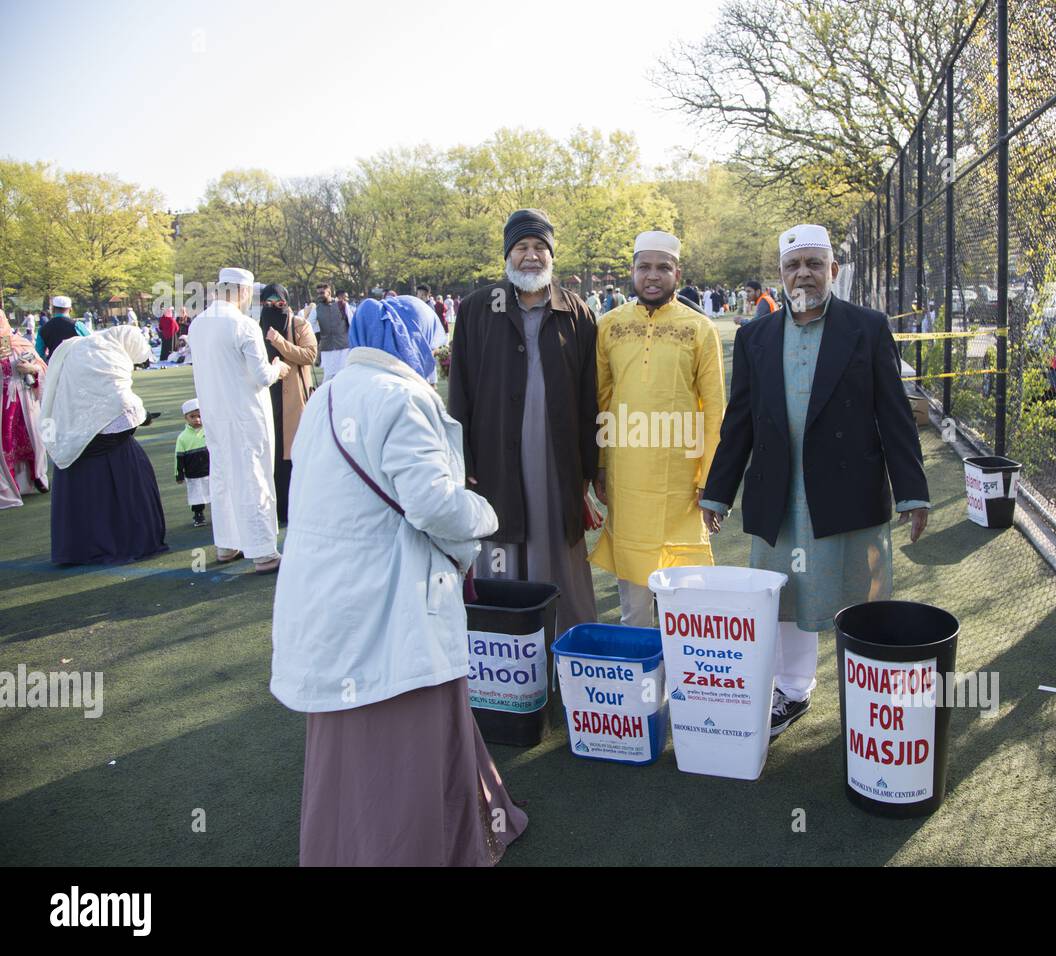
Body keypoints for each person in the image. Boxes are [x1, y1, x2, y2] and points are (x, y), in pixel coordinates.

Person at [271, 294, 527, 867]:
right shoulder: (404, 397)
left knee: (351, 737)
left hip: (328, 593)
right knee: (406, 730)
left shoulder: (328, 393)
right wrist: (485, 516)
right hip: (391, 593)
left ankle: (350, 847)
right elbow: (433, 504)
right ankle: (420, 847)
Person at [701, 224, 931, 737]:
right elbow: (739, 421)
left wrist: (913, 492)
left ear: (833, 270)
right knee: (785, 599)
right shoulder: (755, 335)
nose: (801, 272)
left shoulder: (866, 327)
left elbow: (894, 414)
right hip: (780, 493)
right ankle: (794, 691)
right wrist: (717, 492)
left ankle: (870, 697)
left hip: (849, 490)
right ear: (780, 275)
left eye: (812, 263)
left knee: (861, 597)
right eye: (792, 265)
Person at [449, 209, 599, 635]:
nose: (531, 256)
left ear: (551, 255)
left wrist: (591, 468)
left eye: (539, 247)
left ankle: (568, 646)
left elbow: (591, 396)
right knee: (500, 548)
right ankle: (506, 648)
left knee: (558, 550)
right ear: (507, 255)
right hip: (496, 455)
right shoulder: (478, 309)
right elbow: (459, 390)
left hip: (558, 460)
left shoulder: (577, 313)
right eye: (521, 248)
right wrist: (463, 458)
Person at [589, 230, 726, 626]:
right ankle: (643, 682)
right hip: (626, 477)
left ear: (676, 273)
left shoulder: (700, 329)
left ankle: (681, 679)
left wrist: (710, 481)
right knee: (634, 604)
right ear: (631, 271)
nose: (653, 275)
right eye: (644, 267)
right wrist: (599, 465)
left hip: (682, 482)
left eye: (662, 267)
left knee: (683, 597)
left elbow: (715, 409)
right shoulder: (609, 326)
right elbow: (601, 400)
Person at [188, 267, 292, 573]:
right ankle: (263, 552)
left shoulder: (198, 324)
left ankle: (227, 543)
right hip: (245, 414)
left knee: (222, 476)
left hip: (214, 414)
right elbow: (261, 376)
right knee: (253, 476)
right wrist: (279, 369)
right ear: (243, 292)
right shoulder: (244, 325)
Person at [40, 327, 167, 564]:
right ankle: (124, 540)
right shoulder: (107, 352)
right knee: (133, 476)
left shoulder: (79, 346)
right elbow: (120, 401)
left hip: (72, 433)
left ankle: (79, 547)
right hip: (107, 440)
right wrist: (143, 415)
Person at [260, 283, 318, 526]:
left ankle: (302, 507)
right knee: (271, 453)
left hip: (293, 397)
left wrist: (279, 341)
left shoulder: (299, 324)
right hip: (265, 395)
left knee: (295, 453)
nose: (274, 307)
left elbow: (309, 355)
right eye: (268, 303)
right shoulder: (254, 328)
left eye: (279, 303)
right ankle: (274, 508)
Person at [1, 308, 48, 496]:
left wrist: (32, 369)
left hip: (25, 401)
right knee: (6, 443)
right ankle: (11, 483)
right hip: (3, 405)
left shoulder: (21, 343)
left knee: (34, 440)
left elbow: (42, 369)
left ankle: (37, 476)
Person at [175, 398, 211, 527]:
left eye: (199, 416)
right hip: (193, 474)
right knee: (197, 497)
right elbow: (179, 457)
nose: (197, 419)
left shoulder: (210, 432)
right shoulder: (182, 438)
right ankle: (198, 515)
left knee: (216, 494)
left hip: (211, 472)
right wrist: (179, 474)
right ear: (186, 418)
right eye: (192, 416)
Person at [308, 281, 350, 382]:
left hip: (343, 347)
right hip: (327, 349)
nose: (319, 296)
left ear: (329, 292)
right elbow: (308, 325)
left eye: (322, 293)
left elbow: (352, 323)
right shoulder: (317, 309)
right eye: (318, 293)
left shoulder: (343, 305)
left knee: (344, 377)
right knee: (328, 378)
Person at [34, 295, 88, 362]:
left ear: (53, 309)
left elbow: (39, 353)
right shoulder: (77, 325)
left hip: (54, 366)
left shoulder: (43, 328)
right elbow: (91, 343)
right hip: (76, 364)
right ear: (70, 309)